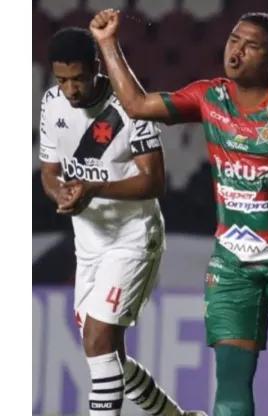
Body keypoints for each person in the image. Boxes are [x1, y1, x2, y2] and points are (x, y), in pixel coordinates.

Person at [88, 9, 268, 416]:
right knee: (232, 378)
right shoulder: (210, 96)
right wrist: (107, 43)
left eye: (251, 46)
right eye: (234, 41)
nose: (237, 52)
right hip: (233, 263)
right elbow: (136, 105)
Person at [38, 28, 206, 416]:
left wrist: (94, 188)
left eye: (78, 78)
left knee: (98, 339)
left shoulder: (132, 107)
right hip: (89, 243)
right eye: (62, 79)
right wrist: (59, 191)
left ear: (96, 69)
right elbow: (50, 170)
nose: (70, 89)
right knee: (105, 352)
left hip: (133, 239)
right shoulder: (51, 103)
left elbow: (154, 181)